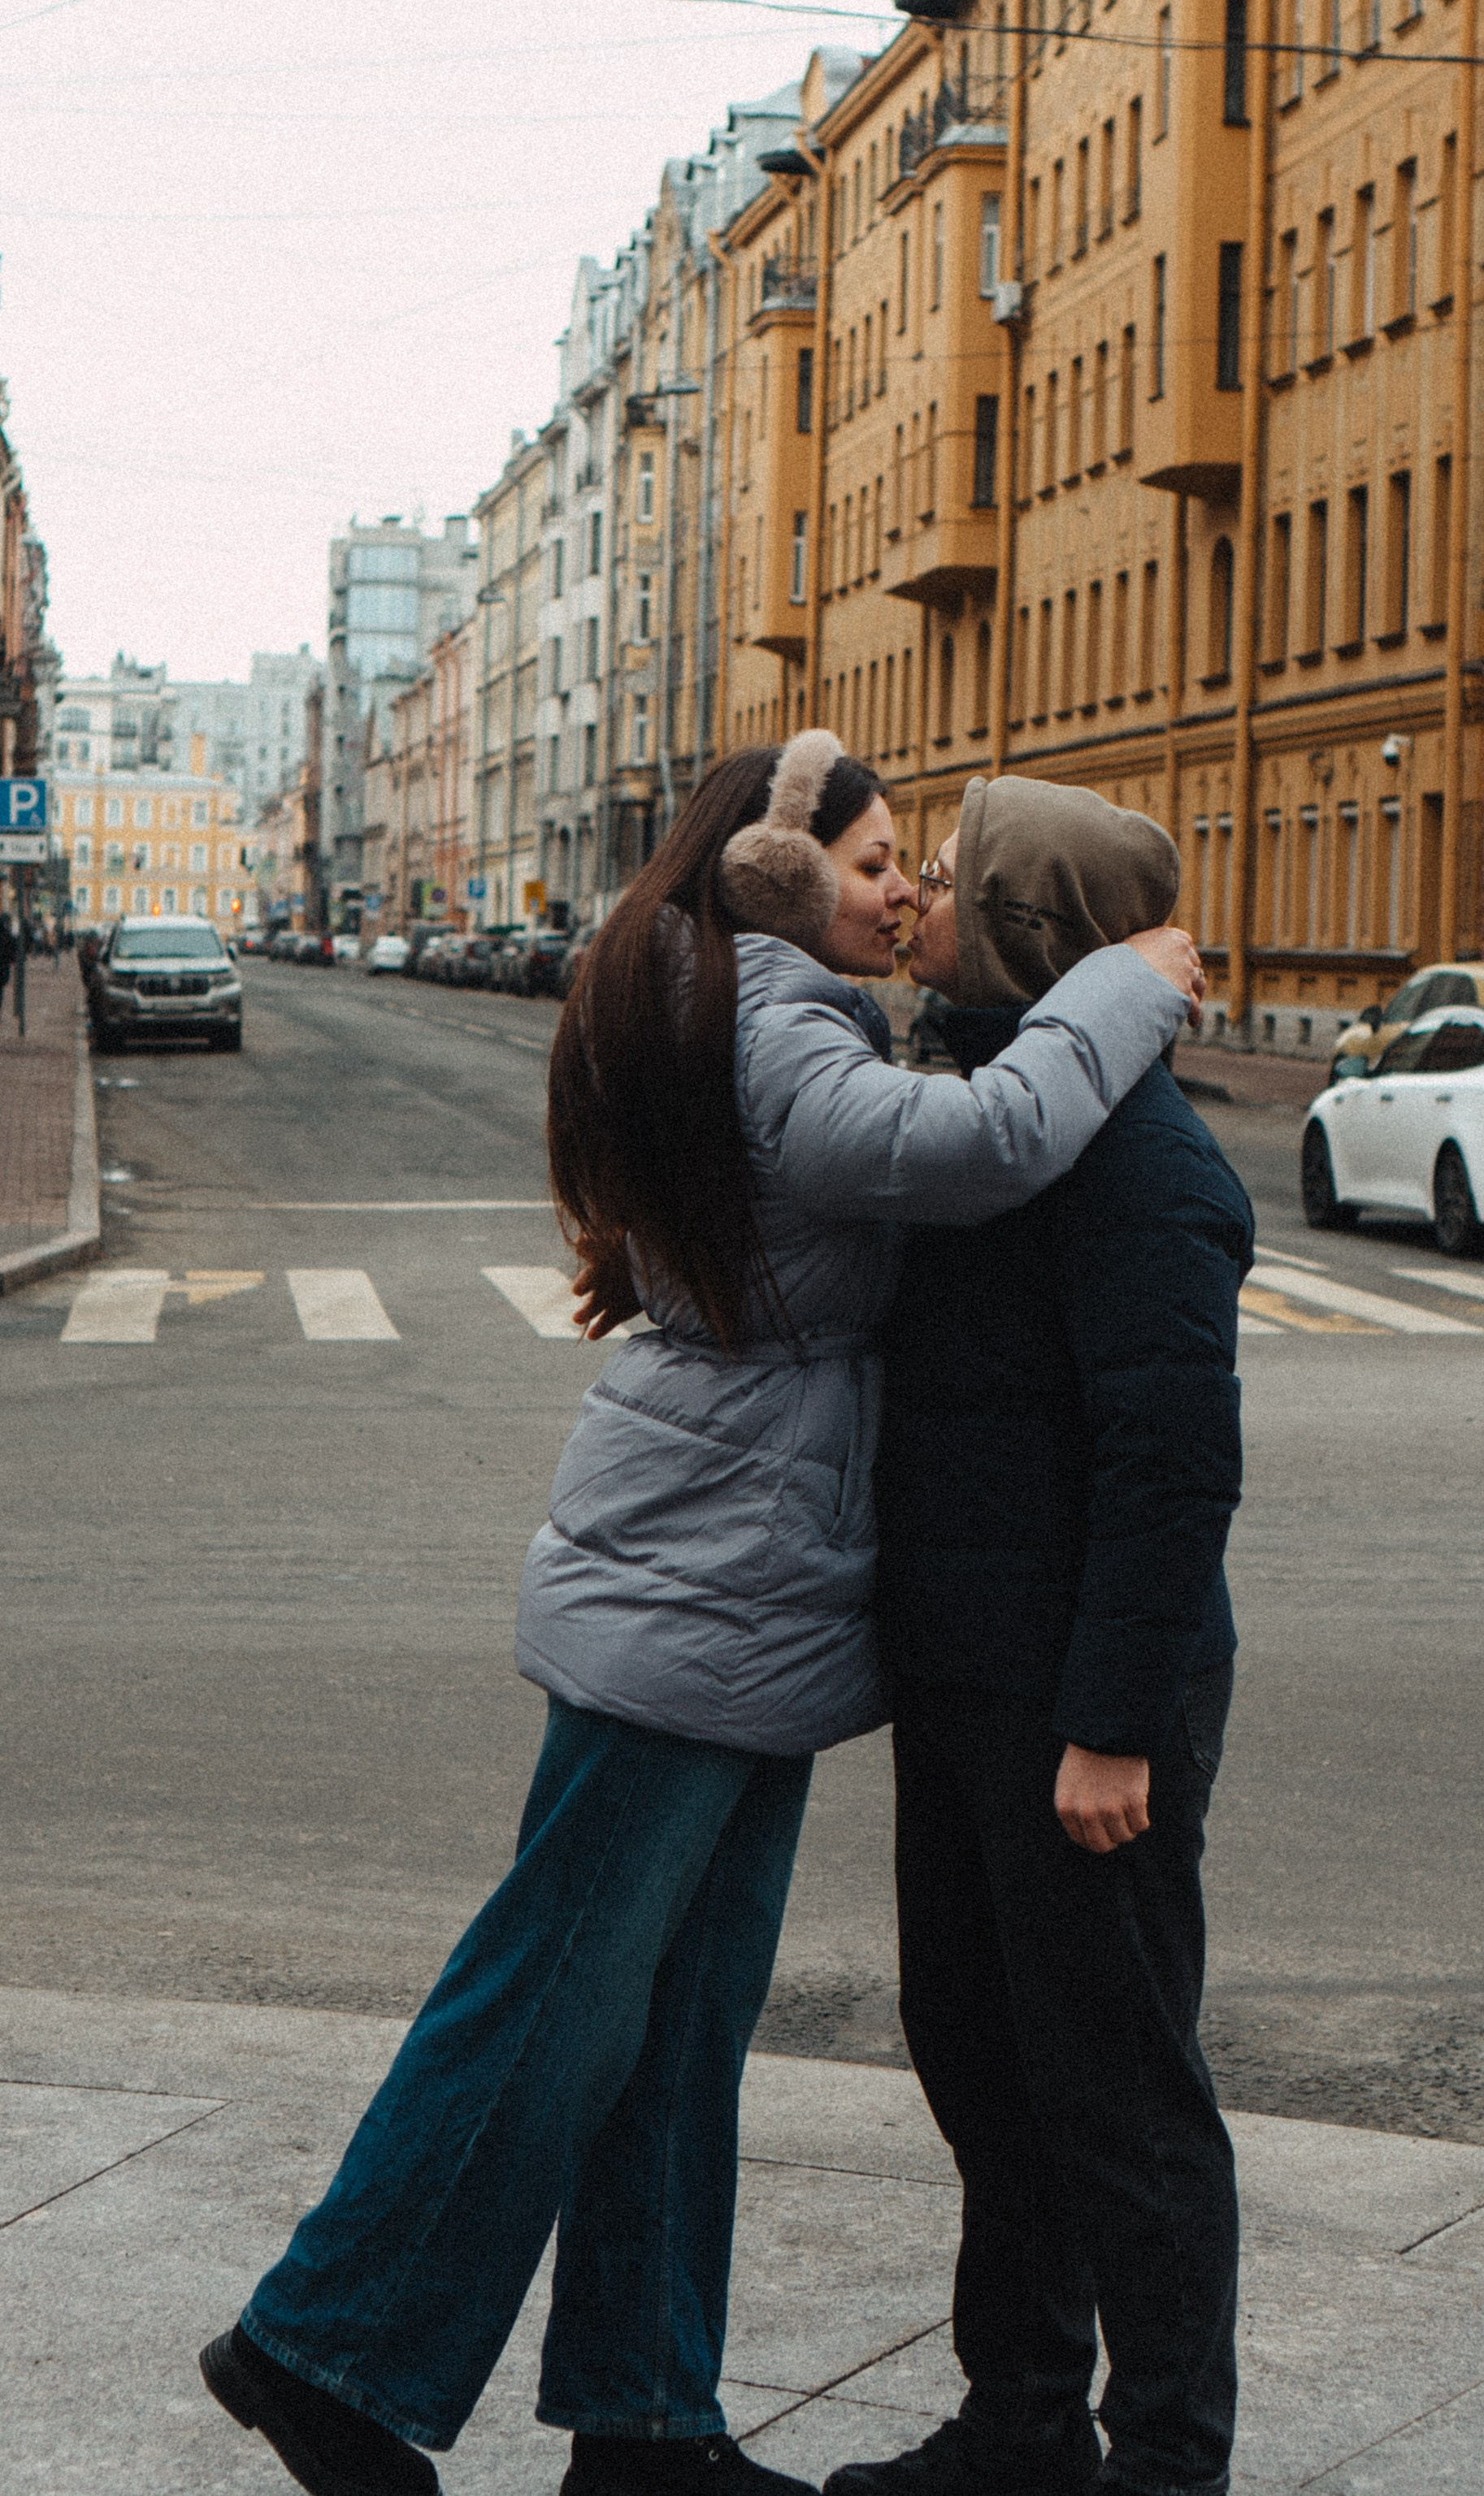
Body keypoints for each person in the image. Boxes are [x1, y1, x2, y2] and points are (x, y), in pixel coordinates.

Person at [200, 735, 1204, 2496]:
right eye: (877, 855)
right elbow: (987, 1138)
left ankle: (645, 2417)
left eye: (921, 861)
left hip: (748, 1578)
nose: (901, 886)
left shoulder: (751, 996)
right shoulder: (774, 1011)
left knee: (671, 2010)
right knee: (560, 1988)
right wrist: (1124, 986)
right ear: (767, 869)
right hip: (702, 1569)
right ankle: (323, 2348)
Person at [826, 778, 1252, 2496]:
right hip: (971, 1679)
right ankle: (1018, 2425)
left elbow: (1171, 1465)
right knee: (983, 2063)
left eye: (946, 874)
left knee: (1120, 2100)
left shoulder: (1144, 1158)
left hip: (1083, 1702)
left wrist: (1113, 1720)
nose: (916, 895)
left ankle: (1162, 2461)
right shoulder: (999, 1103)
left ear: (1022, 920)